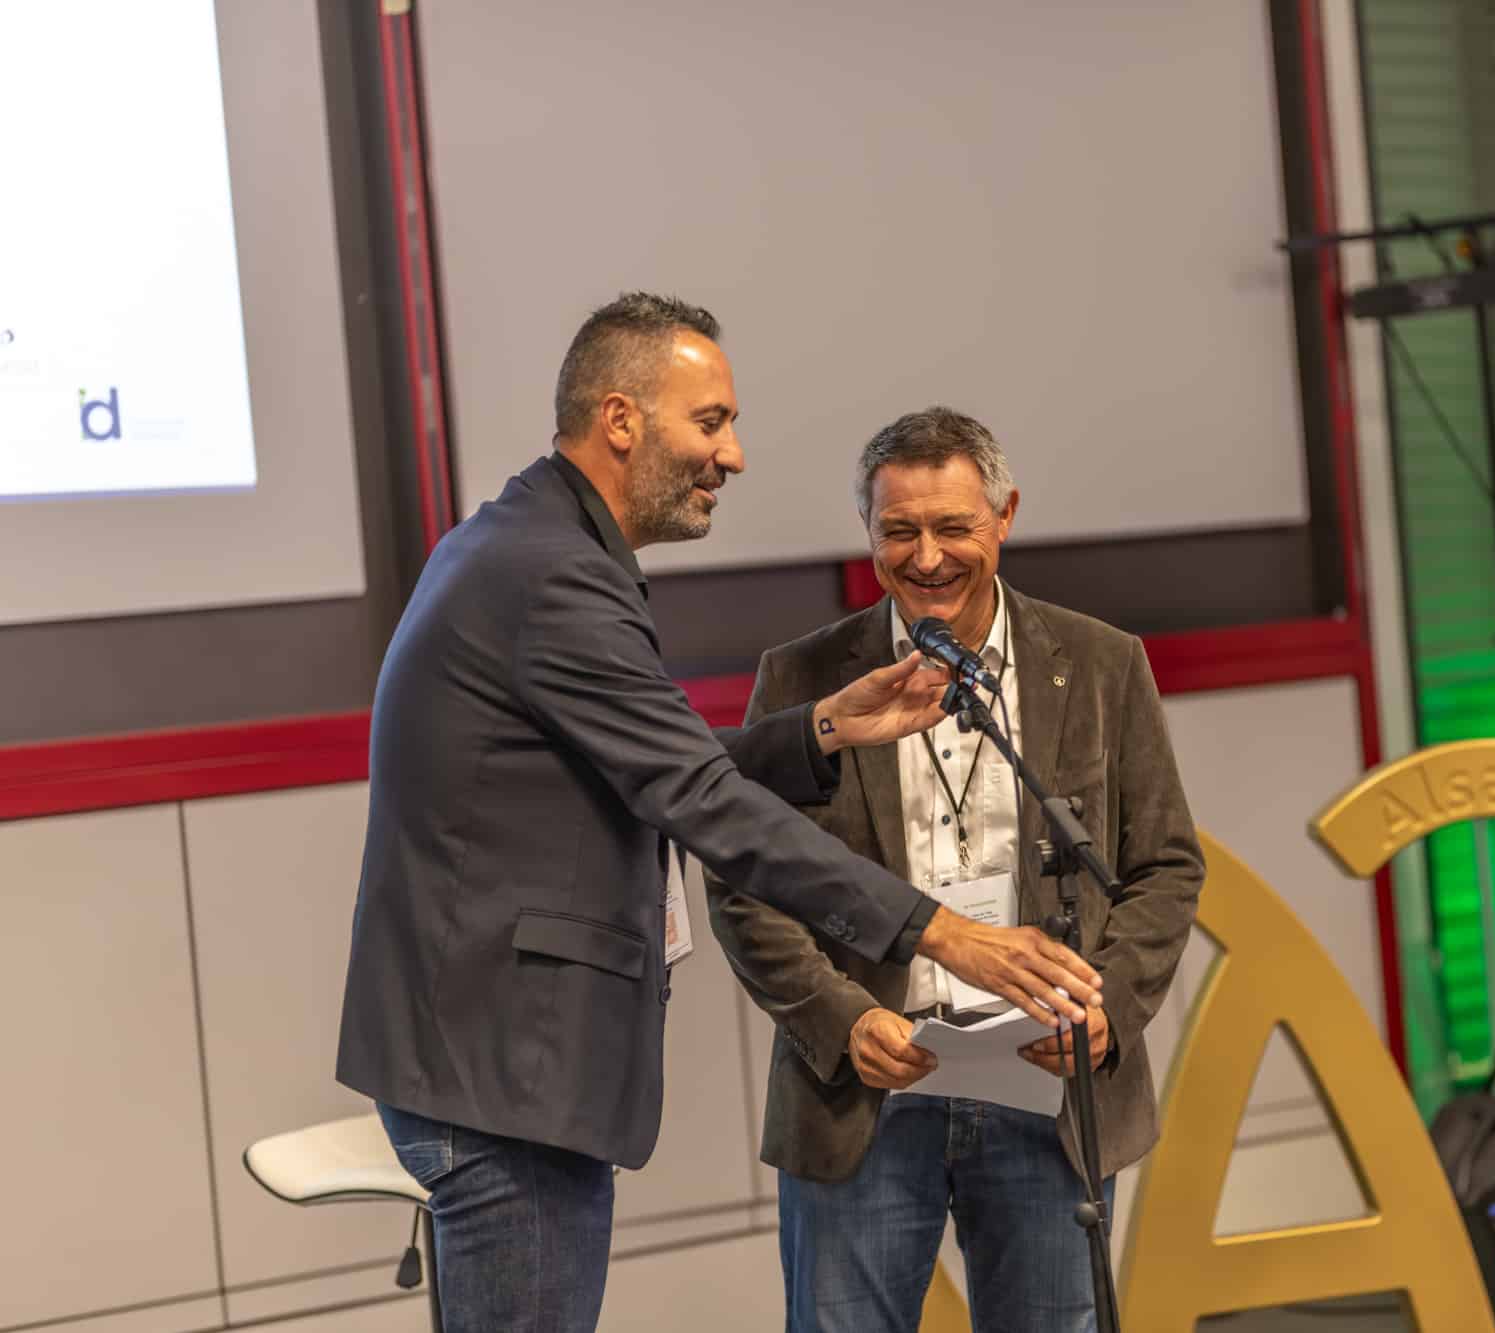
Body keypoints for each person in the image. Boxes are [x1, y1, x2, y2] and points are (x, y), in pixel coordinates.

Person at [335, 296, 1103, 1332]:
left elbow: (640, 769)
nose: (732, 454)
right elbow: (695, 796)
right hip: (499, 1076)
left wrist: (821, 729)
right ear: (620, 419)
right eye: (710, 422)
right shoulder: (552, 575)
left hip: (492, 1066)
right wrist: (940, 932)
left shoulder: (527, 542)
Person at [708, 406, 1206, 1333]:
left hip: (1048, 1088)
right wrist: (843, 1019)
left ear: (1005, 516)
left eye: (953, 527)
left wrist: (1106, 1010)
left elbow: (1165, 865)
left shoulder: (1102, 665)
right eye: (899, 530)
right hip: (864, 1088)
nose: (927, 556)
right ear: (867, 530)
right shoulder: (803, 679)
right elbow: (745, 885)